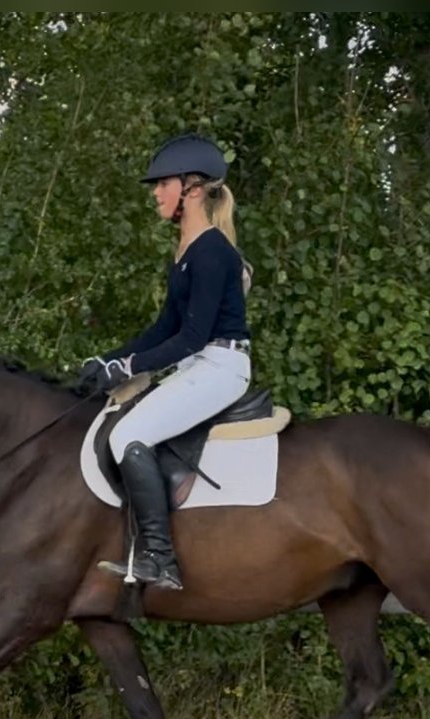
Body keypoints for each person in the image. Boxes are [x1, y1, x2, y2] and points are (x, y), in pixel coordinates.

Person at [79, 133, 252, 591]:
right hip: (198, 366)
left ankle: (160, 557)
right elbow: (163, 331)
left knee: (130, 435)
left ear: (192, 188)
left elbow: (193, 336)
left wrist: (129, 366)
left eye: (162, 184)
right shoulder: (185, 253)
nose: (155, 193)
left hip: (221, 366)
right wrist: (109, 360)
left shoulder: (212, 250)